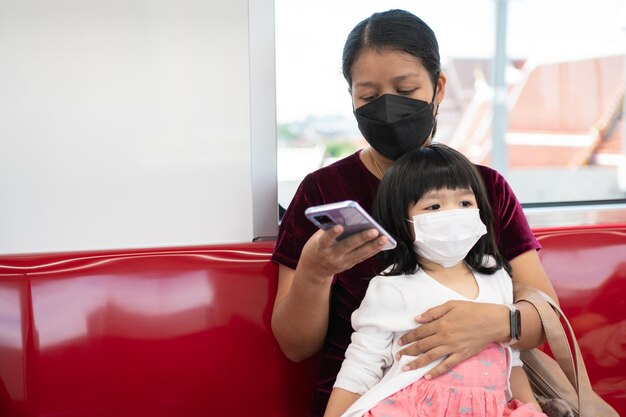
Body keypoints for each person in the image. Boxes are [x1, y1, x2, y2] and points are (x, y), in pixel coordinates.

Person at [271, 9, 558, 417]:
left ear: (438, 88)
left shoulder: (487, 189)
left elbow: (545, 317)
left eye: (406, 90)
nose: (388, 109)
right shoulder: (323, 192)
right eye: (368, 97)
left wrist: (497, 324)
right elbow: (295, 346)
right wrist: (316, 272)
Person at [323, 144, 545, 417]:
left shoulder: (496, 275)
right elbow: (362, 365)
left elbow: (511, 359)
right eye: (434, 206)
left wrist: (530, 408)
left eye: (464, 203)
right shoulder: (392, 285)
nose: (452, 214)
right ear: (402, 221)